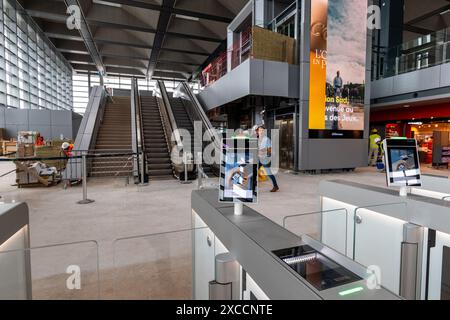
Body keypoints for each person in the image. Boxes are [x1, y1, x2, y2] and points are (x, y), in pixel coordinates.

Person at [256, 125, 279, 193]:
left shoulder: (267, 139)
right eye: (260, 130)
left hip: (265, 159)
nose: (261, 132)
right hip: (259, 158)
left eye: (262, 130)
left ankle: (275, 186)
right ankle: (252, 187)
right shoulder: (257, 139)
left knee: (269, 173)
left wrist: (263, 152)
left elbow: (270, 149)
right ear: (257, 131)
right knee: (254, 171)